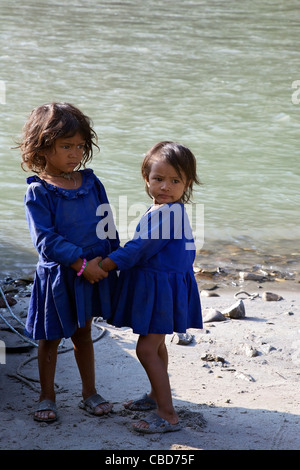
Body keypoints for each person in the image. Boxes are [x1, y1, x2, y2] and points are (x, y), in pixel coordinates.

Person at [18, 102, 119, 423]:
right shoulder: (39, 192)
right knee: (50, 338)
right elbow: (45, 241)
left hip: (92, 271)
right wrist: (79, 264)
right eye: (66, 146)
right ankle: (46, 395)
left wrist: (109, 260)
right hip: (59, 276)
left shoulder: (91, 183)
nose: (75, 153)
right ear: (43, 147)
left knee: (83, 333)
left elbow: (107, 224)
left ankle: (89, 392)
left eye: (80, 146)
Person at [98, 141, 203, 434]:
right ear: (146, 178)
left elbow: (138, 249)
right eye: (158, 179)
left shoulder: (169, 214)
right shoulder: (162, 208)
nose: (165, 187)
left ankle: (168, 414)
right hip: (162, 287)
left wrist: (105, 264)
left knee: (145, 349)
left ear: (187, 183)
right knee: (156, 345)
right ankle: (157, 395)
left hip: (162, 291)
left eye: (175, 181)